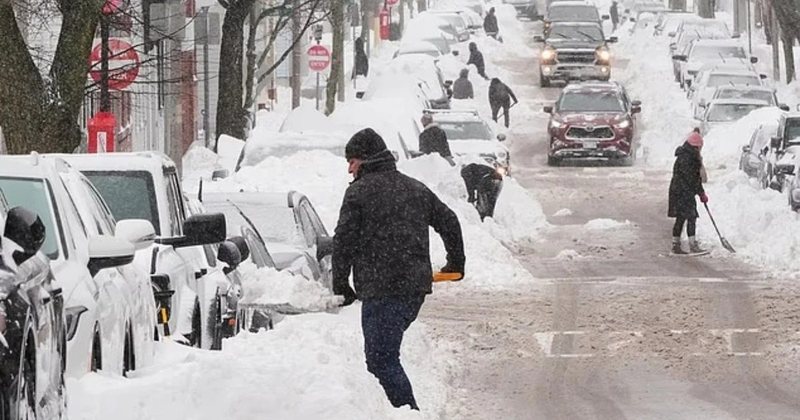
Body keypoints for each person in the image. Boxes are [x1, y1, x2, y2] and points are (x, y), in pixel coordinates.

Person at [333, 128, 465, 410]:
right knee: (383, 356)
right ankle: (391, 412)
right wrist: (456, 262)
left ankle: (409, 412)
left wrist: (341, 285)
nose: (349, 168)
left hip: (382, 289)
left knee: (381, 359)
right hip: (413, 289)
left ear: (365, 160)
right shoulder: (415, 188)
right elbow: (449, 221)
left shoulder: (358, 194)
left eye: (352, 161)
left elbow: (344, 242)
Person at [668, 128, 708, 255]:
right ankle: (691, 245)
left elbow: (693, 179)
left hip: (679, 191)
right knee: (691, 217)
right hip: (683, 192)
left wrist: (700, 192)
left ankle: (676, 245)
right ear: (696, 147)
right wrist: (701, 193)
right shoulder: (689, 159)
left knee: (682, 218)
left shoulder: (685, 155)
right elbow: (693, 179)